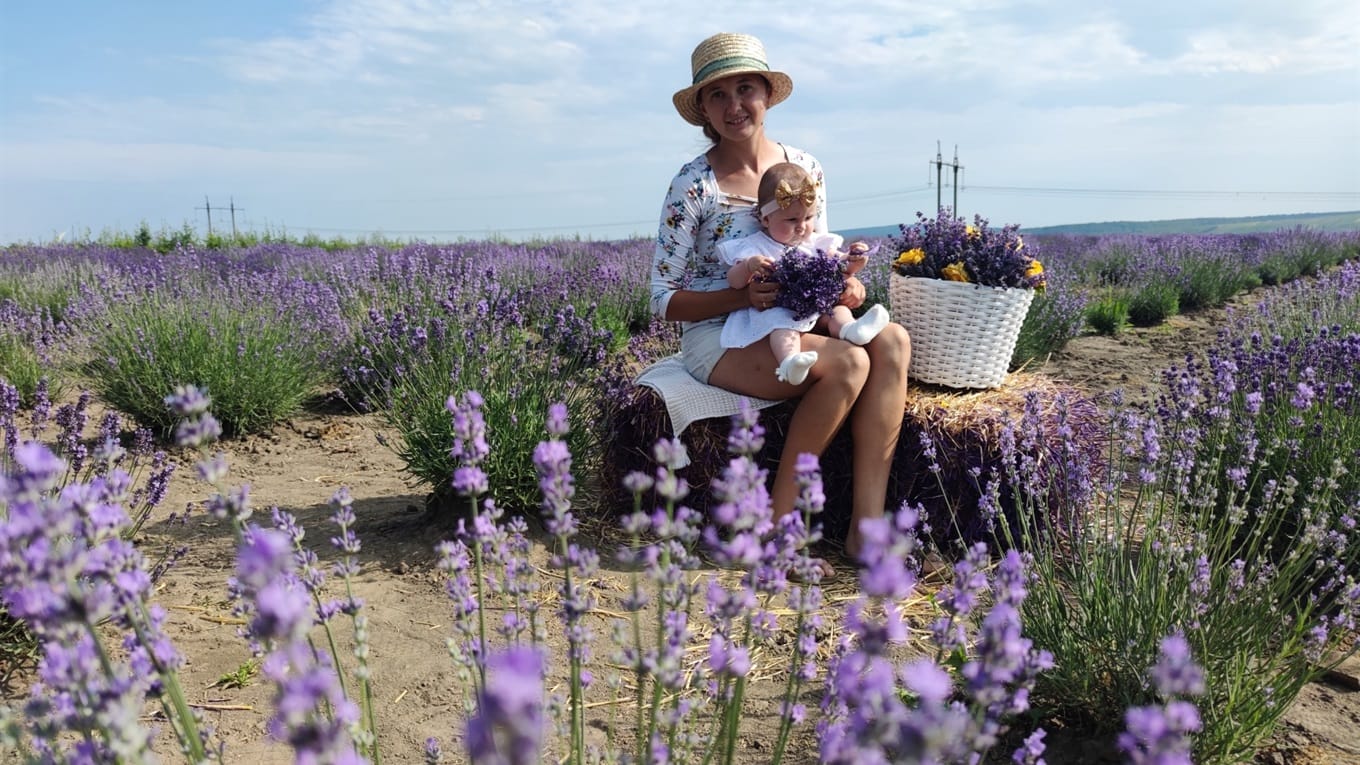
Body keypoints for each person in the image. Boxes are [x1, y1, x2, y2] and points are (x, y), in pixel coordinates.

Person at [650, 32, 911, 561]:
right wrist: (742, 300)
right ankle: (774, 529)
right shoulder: (693, 185)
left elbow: (817, 250)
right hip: (719, 335)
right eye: (717, 95)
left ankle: (866, 529)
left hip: (796, 318)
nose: (733, 105)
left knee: (894, 342)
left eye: (745, 88)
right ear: (702, 107)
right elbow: (660, 299)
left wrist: (845, 283)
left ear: (767, 94)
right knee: (846, 365)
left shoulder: (805, 168)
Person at [718, 161, 891, 386]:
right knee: (780, 325)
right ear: (766, 219)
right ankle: (790, 362)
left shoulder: (815, 242)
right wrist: (749, 266)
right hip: (779, 307)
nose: (802, 227)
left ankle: (851, 330)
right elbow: (733, 280)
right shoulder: (756, 247)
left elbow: (838, 266)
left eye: (808, 218)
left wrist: (854, 261)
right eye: (791, 220)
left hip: (815, 305)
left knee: (837, 309)